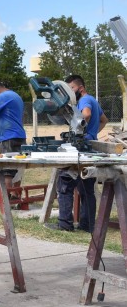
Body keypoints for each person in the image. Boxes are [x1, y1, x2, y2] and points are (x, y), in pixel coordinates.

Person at [46, 74, 108, 233]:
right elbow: (104, 120)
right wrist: (92, 134)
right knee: (87, 189)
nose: (69, 93)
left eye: (71, 89)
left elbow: (85, 115)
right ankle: (87, 225)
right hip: (89, 147)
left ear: (80, 88)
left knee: (65, 185)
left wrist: (79, 132)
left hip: (79, 150)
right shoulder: (94, 100)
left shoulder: (84, 101)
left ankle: (65, 225)